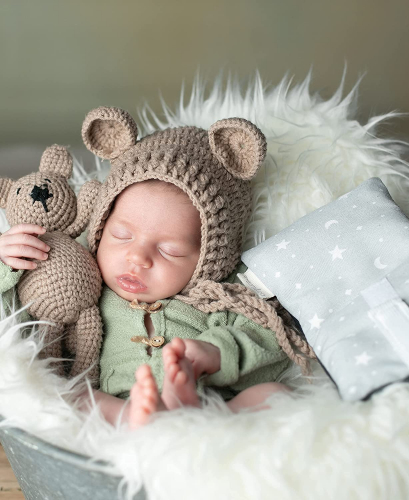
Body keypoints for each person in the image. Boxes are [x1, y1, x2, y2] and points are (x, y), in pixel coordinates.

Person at [0, 107, 314, 429]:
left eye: (169, 251)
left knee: (277, 395)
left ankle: (187, 410)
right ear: (100, 227)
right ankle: (139, 417)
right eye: (121, 235)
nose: (138, 257)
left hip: (210, 405)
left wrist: (214, 353)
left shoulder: (222, 296)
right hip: (118, 404)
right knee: (73, 397)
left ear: (210, 257)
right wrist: (7, 259)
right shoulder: (84, 280)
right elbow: (22, 311)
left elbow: (269, 340)